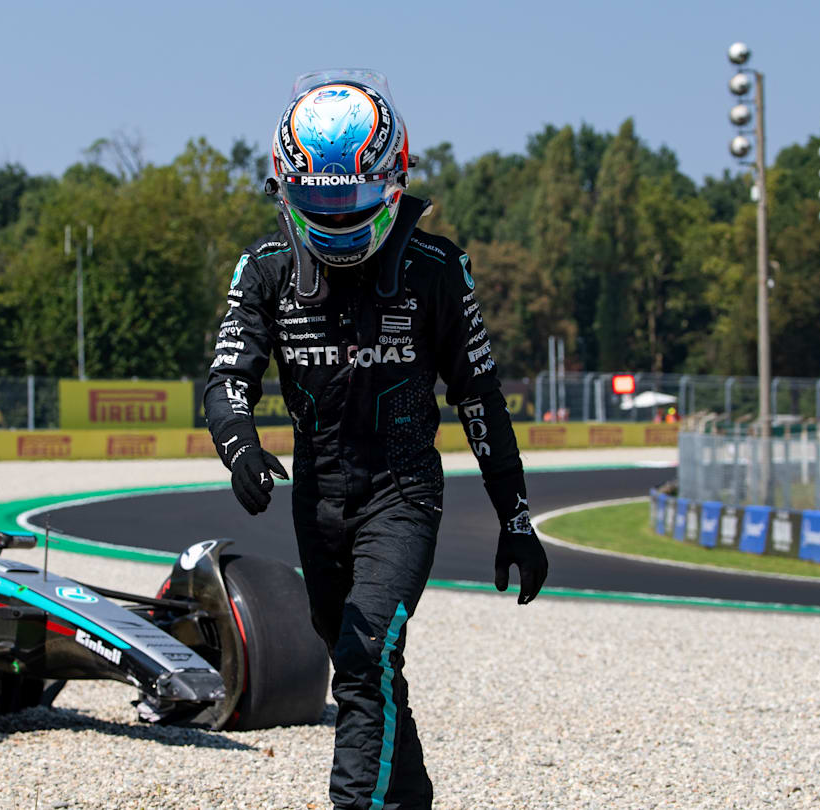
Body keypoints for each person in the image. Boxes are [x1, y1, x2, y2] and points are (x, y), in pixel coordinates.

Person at [203, 69, 549, 810]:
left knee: (364, 658)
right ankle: (412, 797)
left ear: (393, 181)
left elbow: (479, 396)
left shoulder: (437, 271)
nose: (334, 213)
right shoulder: (263, 272)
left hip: (403, 492)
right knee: (365, 663)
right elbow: (227, 376)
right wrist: (239, 444)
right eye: (318, 197)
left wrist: (515, 516)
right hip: (317, 497)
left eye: (349, 196)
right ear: (284, 185)